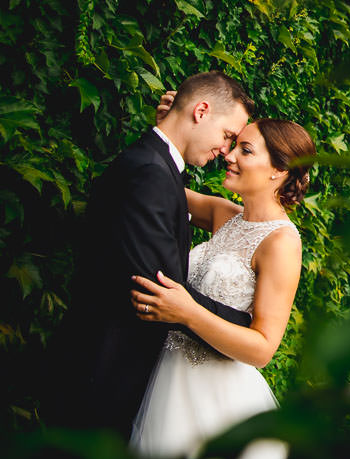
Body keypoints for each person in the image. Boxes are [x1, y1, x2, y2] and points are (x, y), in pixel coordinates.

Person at [122, 95, 315, 459]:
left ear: (279, 171)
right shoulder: (224, 216)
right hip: (166, 379)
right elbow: (159, 179)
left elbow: (263, 348)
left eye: (245, 149)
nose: (228, 155)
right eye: (232, 145)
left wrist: (187, 312)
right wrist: (171, 126)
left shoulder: (282, 243)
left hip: (216, 398)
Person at [47, 71, 256, 439]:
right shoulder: (151, 173)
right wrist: (243, 325)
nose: (226, 151)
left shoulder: (156, 165)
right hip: (102, 370)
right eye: (227, 136)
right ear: (201, 111)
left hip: (106, 367)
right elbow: (160, 287)